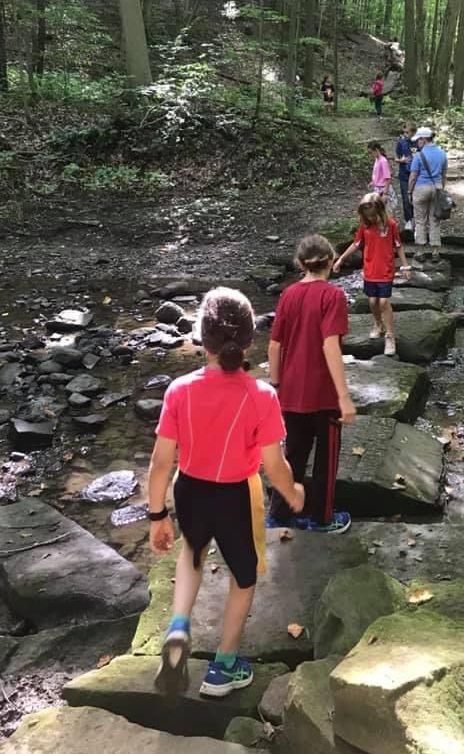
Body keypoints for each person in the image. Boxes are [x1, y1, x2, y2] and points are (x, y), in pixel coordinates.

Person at [148, 287, 304, 698]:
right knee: (244, 576)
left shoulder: (179, 390)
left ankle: (178, 625)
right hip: (235, 496)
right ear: (249, 341)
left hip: (189, 490)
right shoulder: (261, 396)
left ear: (203, 339)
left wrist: (157, 515)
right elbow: (274, 465)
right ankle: (224, 666)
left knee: (192, 553)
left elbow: (161, 462)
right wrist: (292, 493)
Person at [267, 234, 356, 534]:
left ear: (301, 264)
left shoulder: (288, 295)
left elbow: (274, 346)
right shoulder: (333, 296)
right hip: (324, 394)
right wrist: (343, 396)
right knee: (325, 460)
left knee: (292, 455)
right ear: (330, 261)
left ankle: (279, 515)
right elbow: (330, 345)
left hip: (291, 391)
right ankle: (322, 518)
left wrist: (276, 385)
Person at [333, 193, 411, 357]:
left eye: (373, 215)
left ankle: (390, 336)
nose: (370, 218)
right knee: (372, 301)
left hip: (385, 269)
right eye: (367, 215)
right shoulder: (364, 226)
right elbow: (356, 244)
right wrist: (341, 259)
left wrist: (405, 266)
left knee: (383, 301)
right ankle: (378, 324)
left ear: (380, 211)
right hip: (370, 269)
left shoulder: (390, 225)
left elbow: (398, 246)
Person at [408, 126, 448, 263]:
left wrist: (409, 191)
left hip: (421, 188)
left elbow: (413, 176)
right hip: (437, 188)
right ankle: (435, 252)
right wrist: (441, 189)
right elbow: (444, 175)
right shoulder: (442, 153)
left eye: (418, 140)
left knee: (420, 220)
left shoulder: (419, 156)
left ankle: (420, 251)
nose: (417, 143)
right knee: (435, 219)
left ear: (424, 140)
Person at [395, 122, 416, 232]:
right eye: (404, 132)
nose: (405, 134)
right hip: (404, 175)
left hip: (416, 175)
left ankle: (416, 219)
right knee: (405, 198)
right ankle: (408, 220)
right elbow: (396, 158)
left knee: (416, 198)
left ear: (413, 132)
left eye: (407, 132)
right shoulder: (401, 143)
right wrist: (401, 160)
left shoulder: (418, 142)